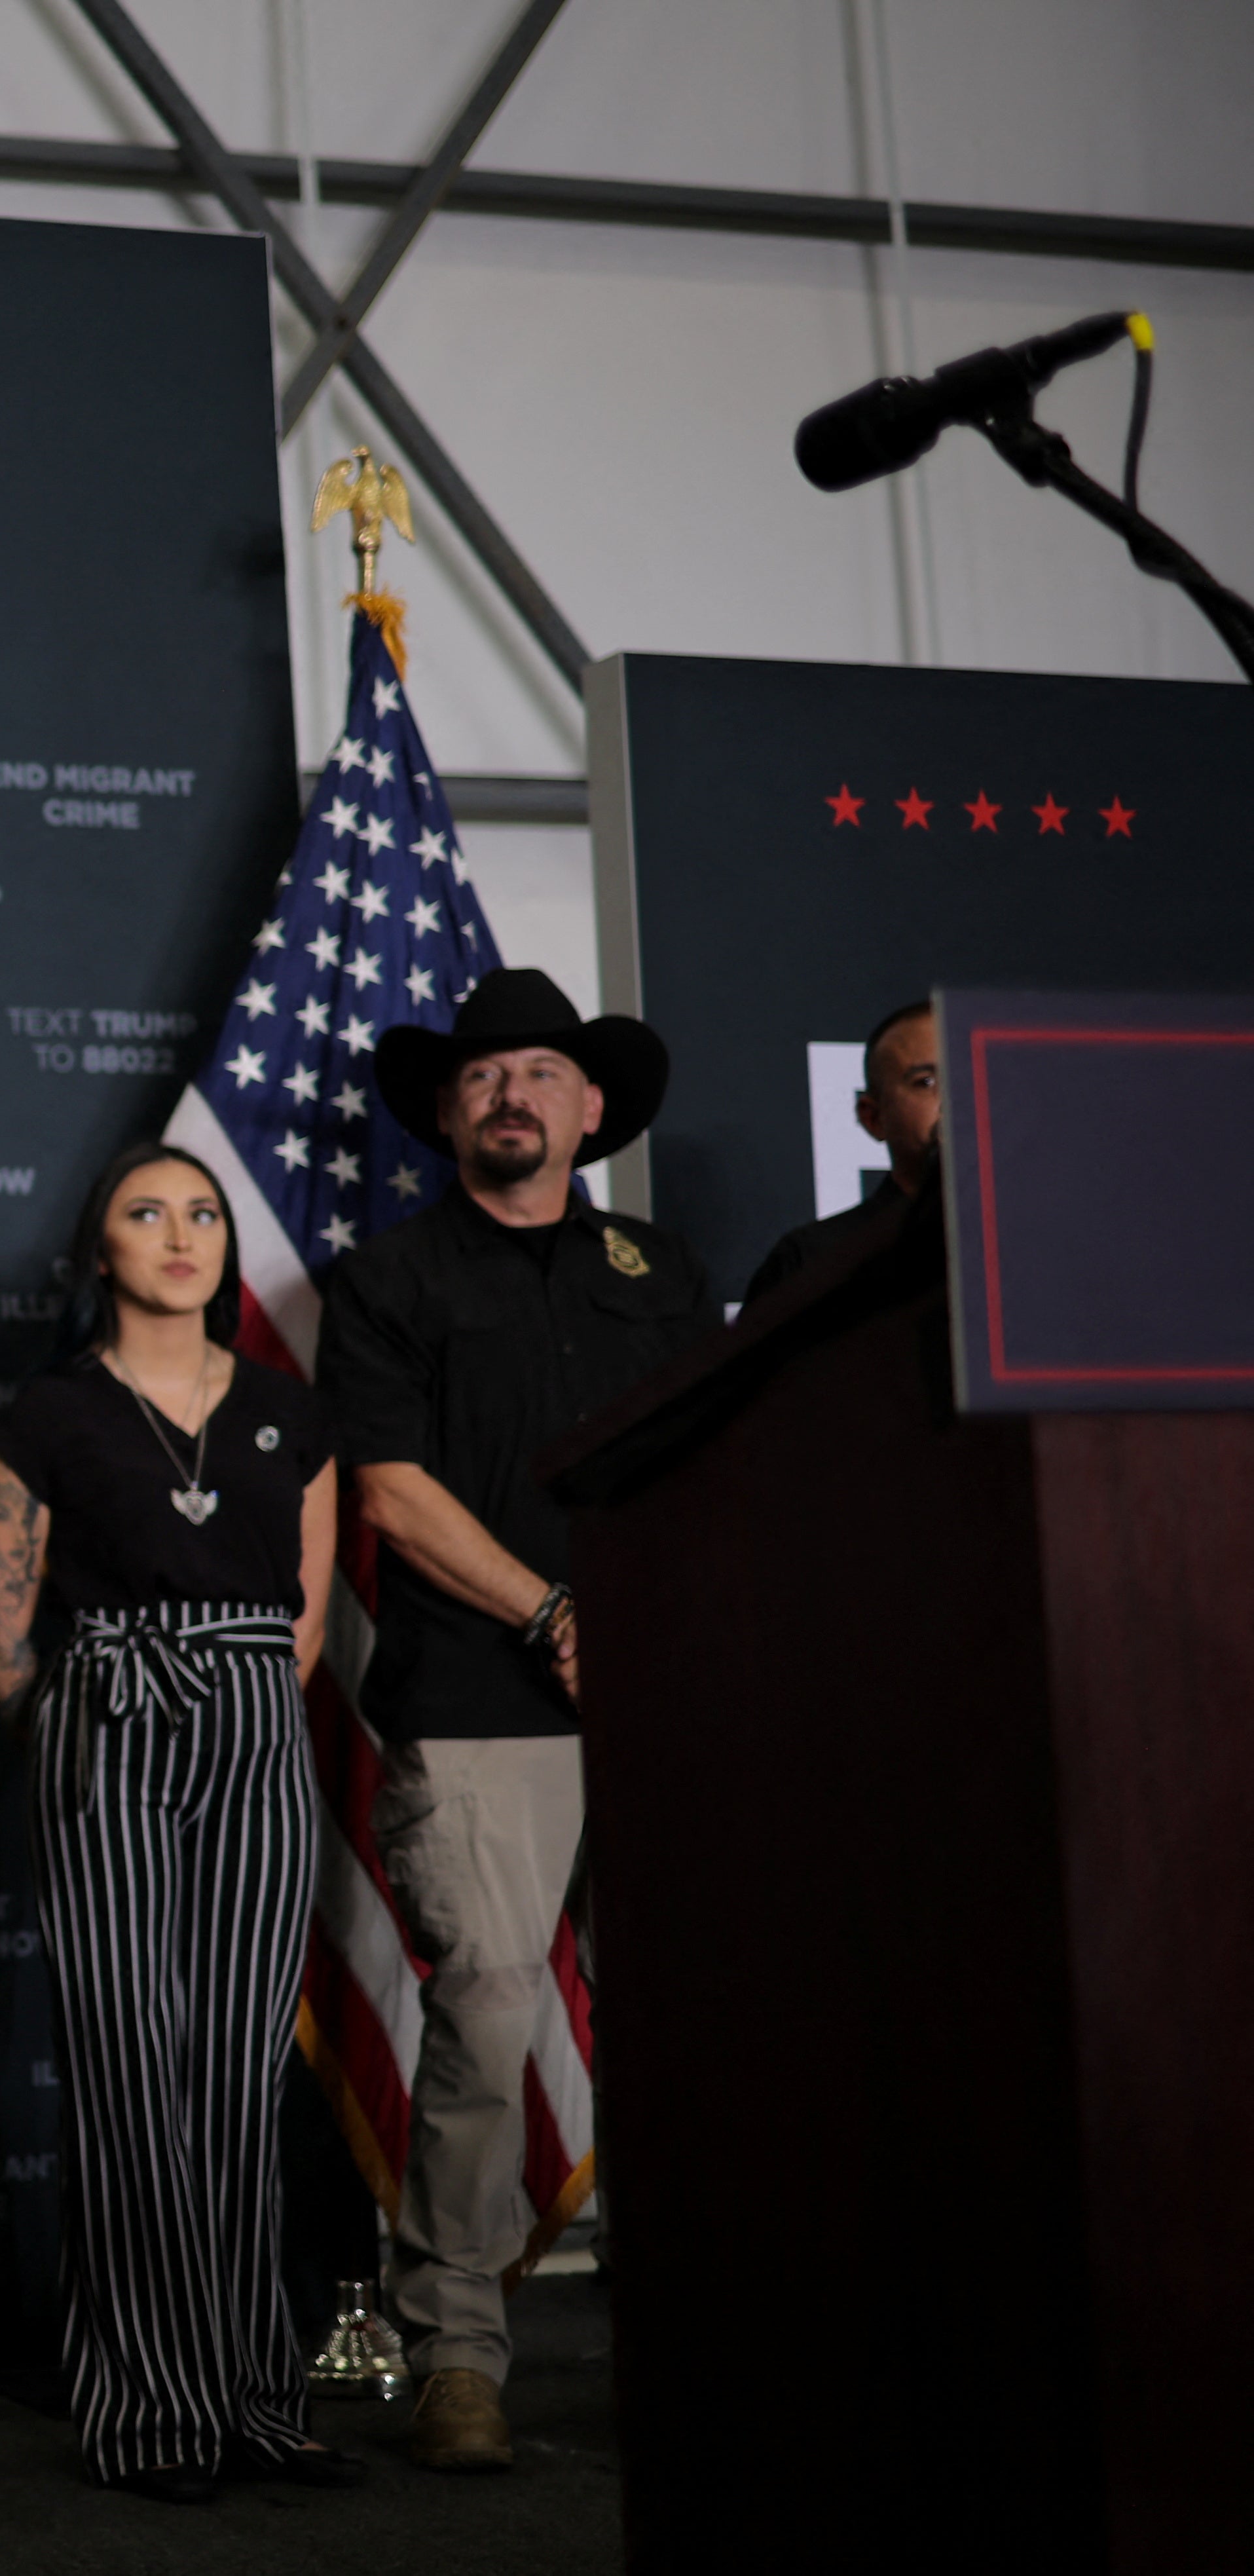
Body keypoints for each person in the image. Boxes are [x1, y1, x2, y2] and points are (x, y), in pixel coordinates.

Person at [316, 966, 720, 2474]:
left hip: (668, 1696)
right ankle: (455, 2354)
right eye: (481, 1075)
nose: (508, 1095)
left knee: (681, 2033)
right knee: (486, 2014)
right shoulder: (386, 1279)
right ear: (442, 1109)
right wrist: (555, 1613)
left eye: (538, 1072)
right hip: (480, 1700)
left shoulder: (658, 1268)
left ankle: (689, 2340)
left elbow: (702, 1456)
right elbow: (389, 1491)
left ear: (589, 1104)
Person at [0, 1142, 348, 2507]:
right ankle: (150, 2410)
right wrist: (76, 1735)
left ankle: (257, 2396)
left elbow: (305, 1622)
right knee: (130, 2072)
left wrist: (232, 1702)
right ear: (100, 1250)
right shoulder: (51, 1413)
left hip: (253, 1721)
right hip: (106, 1721)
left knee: (240, 2075)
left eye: (202, 1212)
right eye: (146, 1212)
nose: (179, 1233)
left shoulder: (291, 1412)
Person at [745, 998, 940, 1305]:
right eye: (926, 1082)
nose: (958, 1094)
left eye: (973, 1071)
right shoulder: (815, 1262)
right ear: (873, 1118)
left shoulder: (1037, 1244)